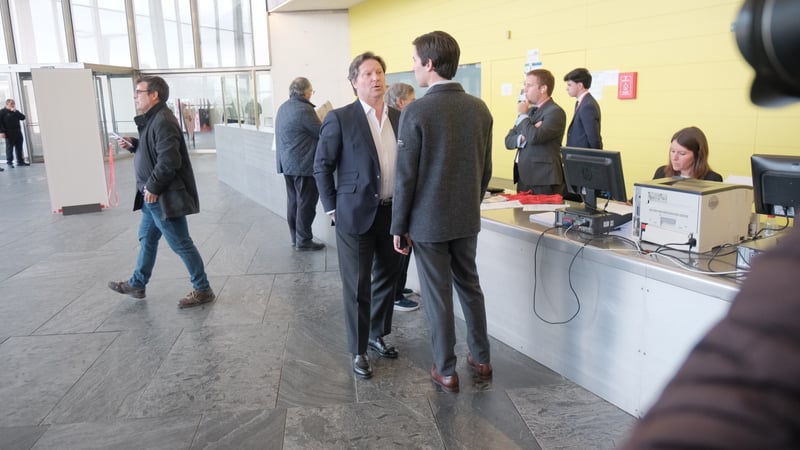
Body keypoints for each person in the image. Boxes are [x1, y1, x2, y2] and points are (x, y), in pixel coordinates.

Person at [391, 30, 494, 393]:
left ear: (430, 64)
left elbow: (405, 177)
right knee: (470, 287)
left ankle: (446, 369)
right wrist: (470, 204)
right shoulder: (479, 109)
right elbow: (485, 170)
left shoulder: (416, 111)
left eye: (415, 61)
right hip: (466, 218)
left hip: (427, 223)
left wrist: (398, 225)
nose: (413, 67)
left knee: (438, 296)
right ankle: (482, 358)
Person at [314, 52, 403, 380]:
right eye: (367, 74)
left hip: (392, 212)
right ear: (354, 82)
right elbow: (321, 165)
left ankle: (376, 334)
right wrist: (332, 208)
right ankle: (358, 349)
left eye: (379, 72)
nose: (375, 78)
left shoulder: (399, 118)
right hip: (353, 214)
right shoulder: (340, 118)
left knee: (388, 278)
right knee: (356, 284)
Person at [108, 76, 215, 309]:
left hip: (161, 196)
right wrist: (135, 144)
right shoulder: (154, 119)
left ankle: (203, 289)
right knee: (147, 238)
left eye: (139, 92)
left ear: (154, 94)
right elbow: (155, 150)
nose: (135, 97)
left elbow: (169, 160)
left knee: (181, 243)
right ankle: (137, 283)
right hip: (151, 196)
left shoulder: (163, 120)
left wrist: (154, 187)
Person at [276, 77, 325, 251]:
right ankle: (304, 241)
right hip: (303, 165)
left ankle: (295, 237)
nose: (311, 94)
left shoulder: (283, 107)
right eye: (311, 91)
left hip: (287, 164)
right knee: (306, 203)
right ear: (305, 92)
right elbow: (321, 132)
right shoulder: (304, 109)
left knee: (294, 202)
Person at [383, 82, 419, 313]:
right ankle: (395, 294)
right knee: (399, 249)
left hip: (399, 196)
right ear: (401, 102)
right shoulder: (399, 123)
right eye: (413, 100)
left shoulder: (395, 121)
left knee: (402, 249)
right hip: (399, 197)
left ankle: (399, 287)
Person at [504, 69, 567, 194]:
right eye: (525, 85)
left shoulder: (555, 112)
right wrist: (523, 136)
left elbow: (534, 137)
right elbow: (508, 141)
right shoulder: (529, 112)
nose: (525, 89)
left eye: (529, 85)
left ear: (543, 88)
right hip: (524, 177)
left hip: (543, 179)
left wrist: (523, 116)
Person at [653, 126, 723, 181]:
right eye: (672, 151)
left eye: (682, 153)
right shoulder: (661, 173)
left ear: (697, 155)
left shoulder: (713, 179)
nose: (674, 158)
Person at [563, 68, 603, 149]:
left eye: (569, 85)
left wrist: (598, 155)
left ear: (580, 86)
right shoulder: (581, 102)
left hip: (584, 154)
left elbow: (593, 137)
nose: (567, 88)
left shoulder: (587, 105)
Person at [0, 99, 28, 168]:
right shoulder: (2, 112)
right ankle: (9, 162)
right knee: (9, 148)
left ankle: (20, 161)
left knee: (19, 147)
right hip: (8, 133)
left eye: (13, 103)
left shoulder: (15, 111)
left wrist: (16, 112)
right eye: (11, 103)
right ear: (7, 104)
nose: (13, 105)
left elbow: (23, 117)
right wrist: (2, 132)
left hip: (18, 132)